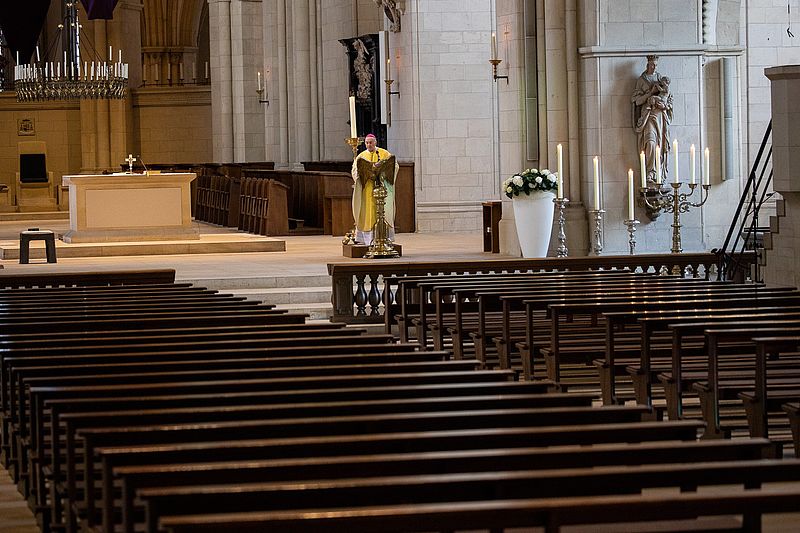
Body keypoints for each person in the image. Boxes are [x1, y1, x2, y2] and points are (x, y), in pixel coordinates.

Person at [351, 133, 399, 246]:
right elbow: (355, 169)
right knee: (368, 213)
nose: (369, 145)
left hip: (381, 188)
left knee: (383, 213)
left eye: (371, 142)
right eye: (367, 143)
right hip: (367, 190)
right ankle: (368, 240)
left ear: (375, 142)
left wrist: (382, 173)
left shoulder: (384, 153)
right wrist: (359, 175)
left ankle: (383, 238)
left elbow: (394, 166)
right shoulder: (361, 156)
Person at [632, 55, 673, 183]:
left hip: (660, 117)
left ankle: (658, 173)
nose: (653, 67)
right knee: (650, 142)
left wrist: (664, 106)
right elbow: (636, 101)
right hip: (648, 117)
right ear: (647, 65)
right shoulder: (641, 80)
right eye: (651, 64)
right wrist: (650, 93)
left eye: (655, 65)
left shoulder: (661, 79)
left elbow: (669, 99)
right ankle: (650, 172)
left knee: (659, 145)